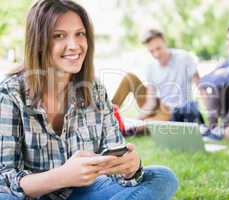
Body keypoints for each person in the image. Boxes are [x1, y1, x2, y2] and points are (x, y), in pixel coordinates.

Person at [0, 1, 178, 199]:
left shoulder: (94, 89)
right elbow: (4, 180)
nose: (74, 45)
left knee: (163, 177)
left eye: (80, 34)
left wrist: (130, 168)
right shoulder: (10, 94)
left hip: (82, 194)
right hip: (32, 196)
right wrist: (63, 176)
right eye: (59, 36)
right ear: (39, 42)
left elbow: (115, 162)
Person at [112, 29, 200, 121]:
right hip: (158, 105)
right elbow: (151, 102)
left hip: (174, 111)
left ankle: (144, 123)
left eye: (158, 48)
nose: (156, 54)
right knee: (129, 78)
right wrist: (137, 120)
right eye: (151, 51)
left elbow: (200, 86)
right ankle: (107, 116)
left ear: (165, 42)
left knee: (145, 125)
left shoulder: (184, 58)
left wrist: (211, 118)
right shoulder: (151, 66)